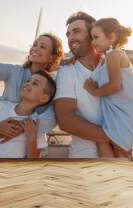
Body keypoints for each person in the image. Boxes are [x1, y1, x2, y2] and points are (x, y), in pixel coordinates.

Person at [83, 18, 133, 157]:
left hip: (128, 114)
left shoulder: (114, 55)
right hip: (119, 114)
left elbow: (115, 86)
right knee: (113, 148)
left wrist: (94, 91)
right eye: (92, 38)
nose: (92, 42)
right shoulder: (107, 57)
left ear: (111, 37)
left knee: (120, 152)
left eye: (96, 37)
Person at [54, 11, 114, 158]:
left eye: (76, 31)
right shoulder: (67, 72)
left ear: (93, 33)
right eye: (68, 34)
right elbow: (66, 121)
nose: (70, 38)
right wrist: (114, 137)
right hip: (85, 157)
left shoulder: (112, 63)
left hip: (124, 152)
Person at [0, 71, 56, 158]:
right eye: (28, 80)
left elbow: (34, 160)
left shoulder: (37, 124)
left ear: (44, 98)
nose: (27, 83)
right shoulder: (3, 107)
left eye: (35, 83)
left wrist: (32, 137)